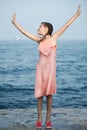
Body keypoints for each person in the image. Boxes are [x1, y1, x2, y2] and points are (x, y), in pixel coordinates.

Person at [12, 5, 81, 129]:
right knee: (39, 95)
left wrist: (77, 14)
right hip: (41, 70)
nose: (38, 28)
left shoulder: (54, 37)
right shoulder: (39, 40)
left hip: (50, 71)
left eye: (40, 26)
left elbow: (66, 25)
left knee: (49, 95)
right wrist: (14, 22)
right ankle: (39, 119)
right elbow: (24, 32)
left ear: (46, 28)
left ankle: (48, 120)